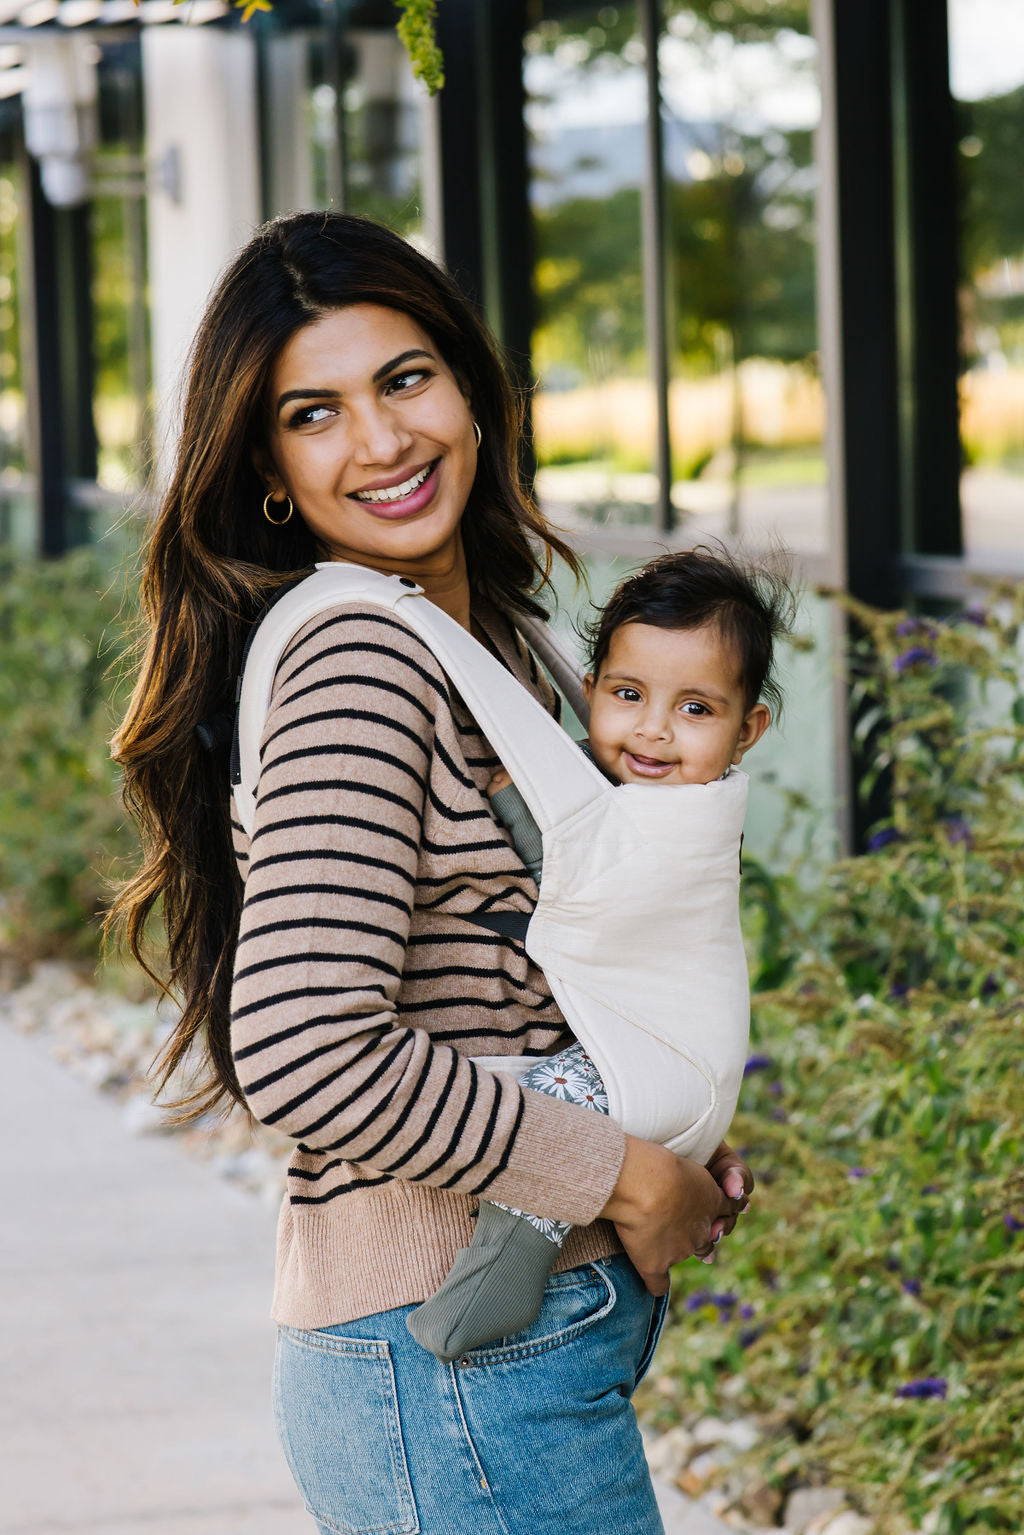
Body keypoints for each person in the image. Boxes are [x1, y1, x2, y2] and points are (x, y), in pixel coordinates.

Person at [111, 210, 753, 1535]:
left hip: (503, 1337)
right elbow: (305, 1048)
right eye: (315, 411)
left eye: (405, 379)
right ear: (270, 464)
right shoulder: (365, 666)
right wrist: (624, 1172)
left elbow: (519, 975)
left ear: (469, 383)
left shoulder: (490, 641)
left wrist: (658, 1119)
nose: (385, 441)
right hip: (451, 1352)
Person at [408, 546, 790, 1363]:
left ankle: (503, 1266)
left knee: (557, 1105)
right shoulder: (647, 789)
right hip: (661, 1048)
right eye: (627, 695)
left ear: (747, 729)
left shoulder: (693, 815)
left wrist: (520, 803)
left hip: (670, 1061)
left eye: (696, 710)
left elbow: (594, 884)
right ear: (589, 693)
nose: (653, 728)